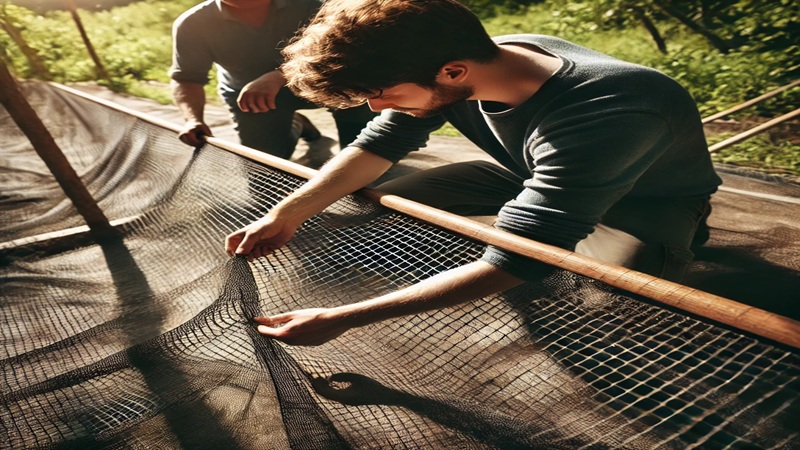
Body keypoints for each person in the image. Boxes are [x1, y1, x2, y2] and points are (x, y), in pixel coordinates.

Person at [225, 0, 722, 346]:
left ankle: (674, 243)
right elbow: (380, 143)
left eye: (379, 91)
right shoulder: (472, 55)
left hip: (648, 204)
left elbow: (520, 259)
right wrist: (287, 213)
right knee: (386, 203)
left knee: (604, 298)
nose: (376, 106)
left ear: (454, 73)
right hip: (528, 174)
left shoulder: (615, 109)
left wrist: (343, 318)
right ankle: (513, 223)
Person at [168, 0, 375, 159]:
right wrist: (193, 119)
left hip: (324, 81)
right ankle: (296, 126)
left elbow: (346, 53)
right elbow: (187, 78)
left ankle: (360, 151)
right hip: (253, 98)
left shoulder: (315, 4)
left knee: (362, 157)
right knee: (264, 170)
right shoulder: (192, 24)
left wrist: (280, 75)